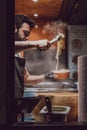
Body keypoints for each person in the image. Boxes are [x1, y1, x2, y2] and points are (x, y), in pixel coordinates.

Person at [15, 14, 55, 99]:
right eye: (25, 33)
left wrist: (48, 76)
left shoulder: (18, 54)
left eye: (28, 34)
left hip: (14, 102)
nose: (27, 38)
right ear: (14, 28)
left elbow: (27, 79)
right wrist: (36, 43)